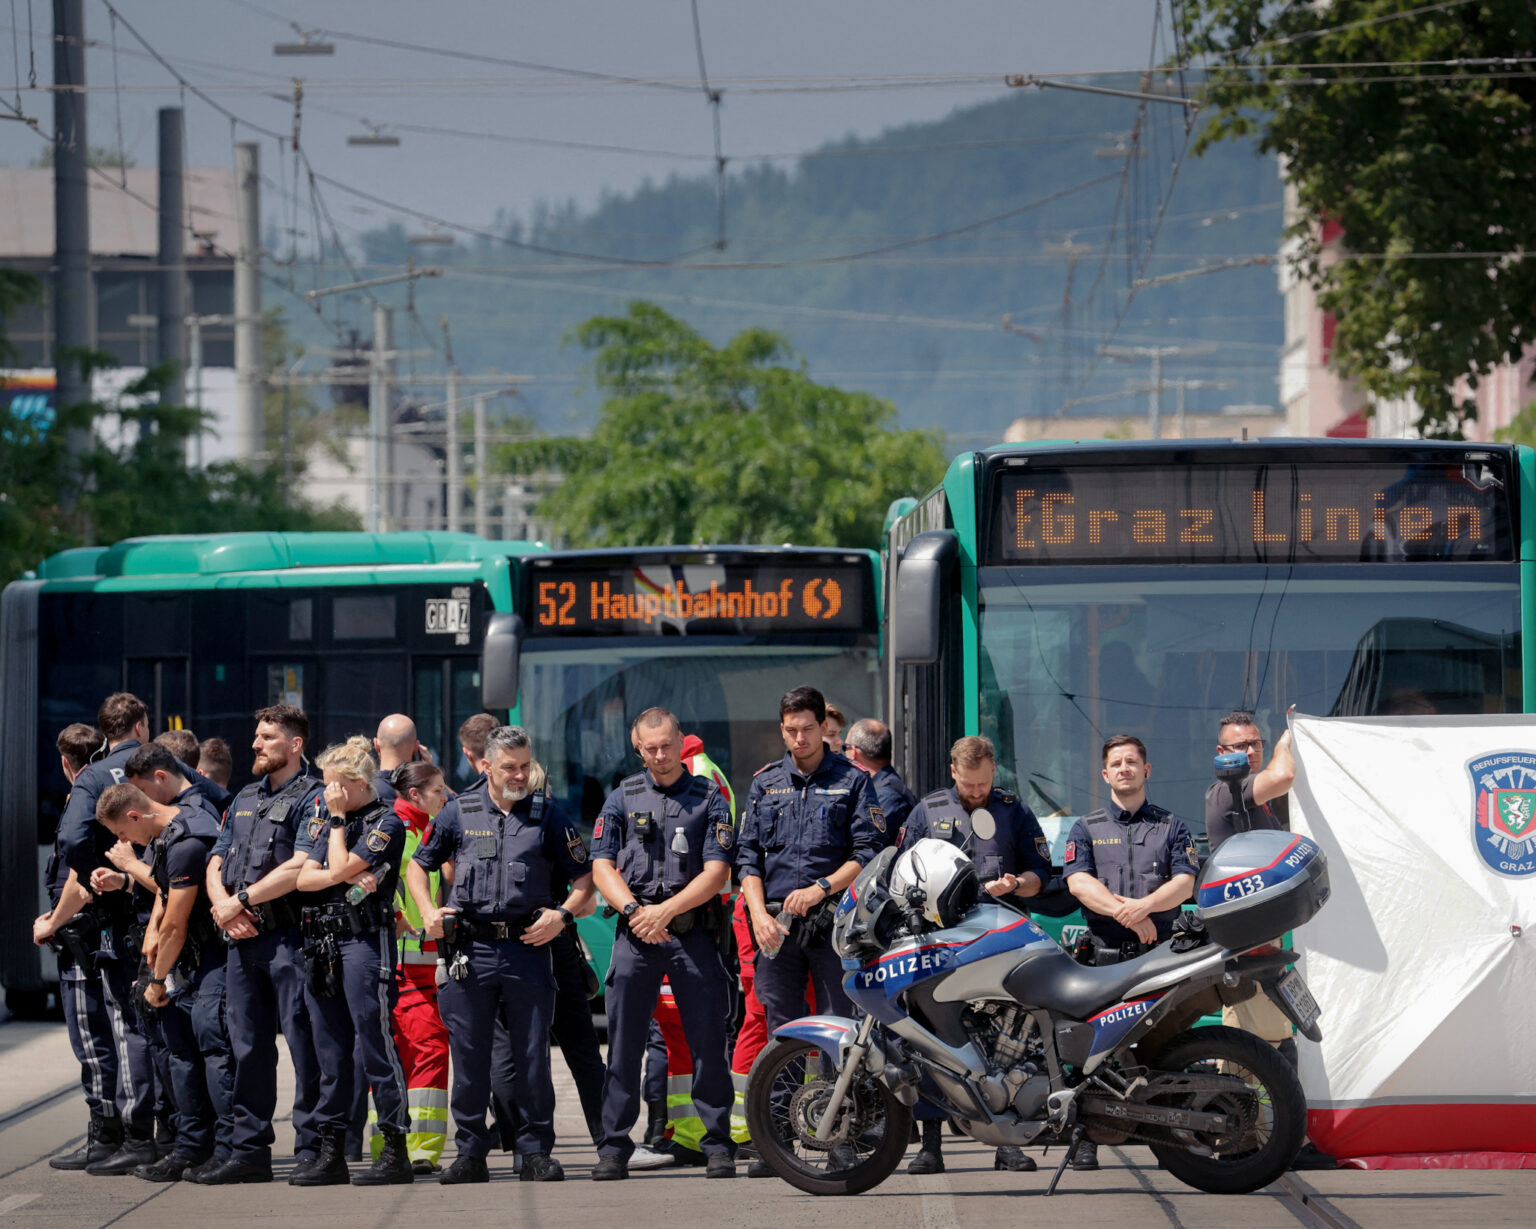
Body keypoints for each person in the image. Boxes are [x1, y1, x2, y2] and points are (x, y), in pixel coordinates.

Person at [408, 725, 595, 1185]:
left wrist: (562, 916)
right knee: (469, 1058)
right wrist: (429, 911)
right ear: (486, 766)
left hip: (527, 950)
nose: (519, 774)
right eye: (509, 767)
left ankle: (533, 1151)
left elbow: (584, 878)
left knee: (532, 1056)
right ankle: (470, 1153)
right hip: (468, 951)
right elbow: (418, 865)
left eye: (525, 765)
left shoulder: (548, 815)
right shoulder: (458, 811)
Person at [590, 708, 736, 1181]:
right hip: (636, 934)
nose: (659, 755)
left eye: (667, 745)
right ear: (638, 747)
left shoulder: (708, 796)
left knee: (707, 1043)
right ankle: (614, 1147)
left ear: (681, 741)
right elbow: (601, 867)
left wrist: (665, 912)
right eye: (650, 748)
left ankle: (717, 1144)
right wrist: (636, 912)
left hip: (690, 933)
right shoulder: (621, 798)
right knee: (624, 1046)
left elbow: (717, 872)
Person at [898, 734, 1050, 1175]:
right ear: (953, 773)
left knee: (1005, 1041)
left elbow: (1042, 872)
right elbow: (899, 869)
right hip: (939, 945)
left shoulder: (1012, 808)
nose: (977, 792)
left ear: (993, 772)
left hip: (999, 941)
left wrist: (1017, 885)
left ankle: (1006, 1143)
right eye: (969, 785)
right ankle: (930, 1145)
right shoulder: (927, 810)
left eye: (984, 784)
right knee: (932, 1038)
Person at [736, 687, 880, 1146]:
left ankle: (842, 1137)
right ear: (782, 729)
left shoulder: (853, 780)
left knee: (841, 1029)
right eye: (791, 730)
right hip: (778, 927)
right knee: (781, 1034)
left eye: (808, 729)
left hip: (834, 923)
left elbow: (868, 852)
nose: (799, 738)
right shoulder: (765, 783)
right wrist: (758, 914)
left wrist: (821, 888)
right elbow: (747, 859)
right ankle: (775, 1136)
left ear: (824, 728)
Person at [1202, 709, 1333, 1171]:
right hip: (1246, 945)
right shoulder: (1228, 792)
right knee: (1253, 1045)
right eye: (1239, 746)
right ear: (1222, 755)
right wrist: (1286, 742)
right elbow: (1284, 775)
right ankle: (1246, 1143)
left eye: (1254, 743)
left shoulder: (1254, 804)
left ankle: (1266, 1139)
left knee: (1270, 1039)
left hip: (1266, 943)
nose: (1249, 751)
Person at [199, 705, 326, 1185]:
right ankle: (249, 1152)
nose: (256, 743)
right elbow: (215, 860)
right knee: (247, 1048)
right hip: (241, 941)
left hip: (290, 940)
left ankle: (313, 1148)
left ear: (295, 745)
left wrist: (242, 901)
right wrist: (224, 909)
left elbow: (299, 867)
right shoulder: (245, 796)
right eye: (256, 735)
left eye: (268, 736)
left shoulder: (312, 798)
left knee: (303, 1046)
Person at [1064, 734, 1198, 1171]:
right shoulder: (1086, 827)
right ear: (1105, 775)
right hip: (1104, 956)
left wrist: (1145, 907)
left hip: (1160, 952)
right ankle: (1086, 1139)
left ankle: (1169, 1138)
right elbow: (1078, 883)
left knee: (1165, 1043)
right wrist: (1127, 913)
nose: (1124, 768)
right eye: (1116, 763)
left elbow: (1185, 882)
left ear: (1147, 770)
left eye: (1132, 762)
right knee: (1093, 1049)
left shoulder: (1173, 825)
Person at [94, 782, 230, 1182]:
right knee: (181, 1056)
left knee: (211, 1052)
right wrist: (152, 935)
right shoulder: (168, 836)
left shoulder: (187, 838)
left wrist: (156, 979)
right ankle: (191, 1147)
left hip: (207, 959)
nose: (124, 842)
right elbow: (163, 899)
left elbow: (177, 922)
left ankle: (224, 1149)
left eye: (121, 833)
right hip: (186, 961)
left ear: (134, 817)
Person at [293, 738, 413, 1186]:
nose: (326, 794)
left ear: (358, 784)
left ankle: (395, 1147)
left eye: (333, 786)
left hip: (364, 940)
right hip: (323, 941)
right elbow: (304, 877)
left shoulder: (385, 821)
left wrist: (340, 831)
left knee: (375, 1042)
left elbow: (342, 866)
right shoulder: (326, 817)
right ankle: (332, 1150)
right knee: (330, 1050)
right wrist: (336, 872)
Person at [55, 692, 160, 1176]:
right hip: (163, 906)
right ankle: (166, 1130)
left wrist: (100, 880)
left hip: (118, 919)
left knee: (123, 1028)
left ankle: (131, 1135)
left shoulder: (94, 777)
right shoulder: (160, 769)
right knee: (154, 1026)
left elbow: (74, 839)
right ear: (139, 726)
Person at [39, 724, 126, 1172]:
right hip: (103, 934)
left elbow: (76, 870)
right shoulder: (111, 797)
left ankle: (105, 1133)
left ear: (66, 763)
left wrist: (51, 921)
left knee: (92, 1039)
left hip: (82, 937)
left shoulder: (82, 801)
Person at [365, 760, 452, 1174]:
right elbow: (364, 881)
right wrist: (394, 915)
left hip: (420, 960)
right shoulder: (395, 828)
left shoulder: (427, 828)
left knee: (410, 1051)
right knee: (420, 1049)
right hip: (398, 960)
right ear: (415, 794)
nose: (446, 795)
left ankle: (401, 1146)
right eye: (438, 789)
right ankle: (409, 1148)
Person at [844, 718, 915, 850]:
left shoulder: (885, 796)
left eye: (845, 748)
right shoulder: (881, 789)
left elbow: (865, 847)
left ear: (853, 753)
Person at [372, 714, 420, 804]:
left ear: (376, 744)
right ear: (416, 747)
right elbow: (454, 806)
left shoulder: (363, 791)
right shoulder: (428, 794)